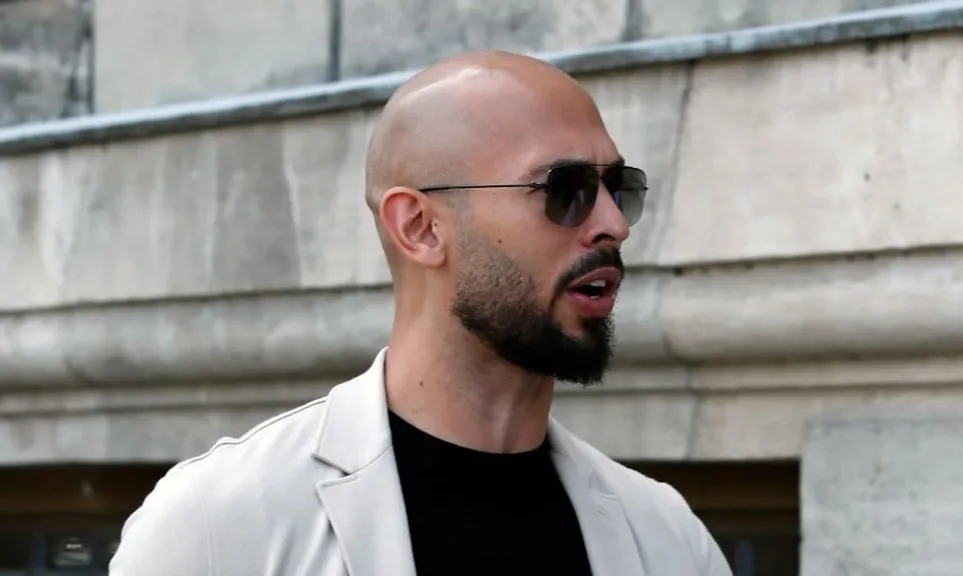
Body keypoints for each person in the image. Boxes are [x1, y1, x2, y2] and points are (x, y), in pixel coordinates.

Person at [109, 50, 731, 576]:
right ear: (420, 227)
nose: (614, 224)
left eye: (617, 187)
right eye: (566, 190)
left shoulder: (666, 539)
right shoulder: (219, 527)